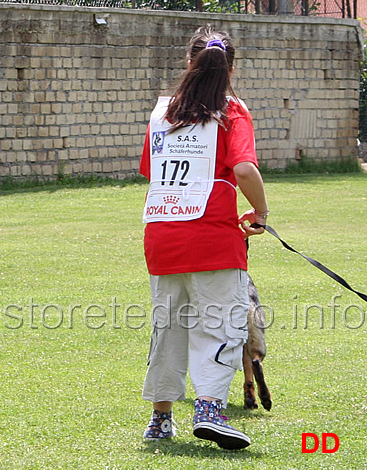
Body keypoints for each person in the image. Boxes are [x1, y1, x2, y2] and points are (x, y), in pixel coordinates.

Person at [139, 26, 269, 450]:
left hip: (162, 236)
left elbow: (151, 172)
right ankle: (210, 410)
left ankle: (160, 420)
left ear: (188, 62)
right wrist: (261, 212)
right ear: (231, 68)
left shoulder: (163, 114)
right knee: (221, 326)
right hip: (213, 237)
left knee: (168, 327)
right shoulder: (232, 112)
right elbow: (245, 170)